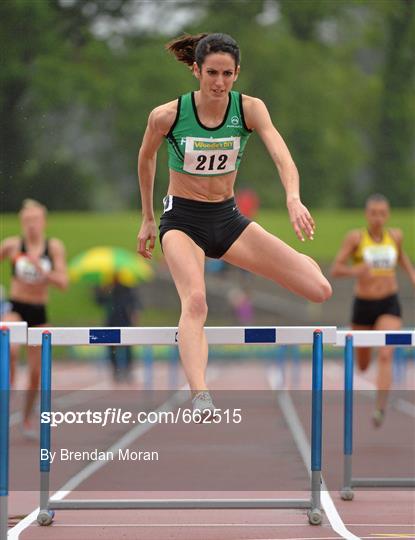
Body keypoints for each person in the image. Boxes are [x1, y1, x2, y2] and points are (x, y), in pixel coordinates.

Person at [136, 33, 332, 418]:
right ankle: (201, 395)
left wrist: (293, 197)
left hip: (227, 219)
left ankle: (296, 263)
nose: (219, 82)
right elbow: (146, 160)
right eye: (211, 73)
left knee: (320, 290)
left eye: (227, 74)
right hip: (182, 220)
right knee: (195, 300)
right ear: (196, 70)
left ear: (237, 73)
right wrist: (147, 217)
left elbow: (282, 156)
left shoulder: (250, 110)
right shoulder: (167, 115)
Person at [331, 194, 415, 426]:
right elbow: (336, 268)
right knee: (364, 364)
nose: (378, 218)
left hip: (389, 302)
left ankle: (380, 408)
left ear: (387, 215)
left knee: (386, 353)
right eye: (373, 213)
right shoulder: (356, 238)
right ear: (367, 215)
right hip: (364, 306)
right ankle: (370, 374)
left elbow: (402, 258)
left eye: (382, 213)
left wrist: (412, 276)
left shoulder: (395, 236)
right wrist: (355, 271)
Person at [0, 199, 68, 437]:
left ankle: (27, 417)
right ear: (21, 222)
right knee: (9, 347)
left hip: (39, 312)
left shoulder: (54, 247)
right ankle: (6, 392)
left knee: (36, 373)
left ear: (44, 222)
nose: (31, 226)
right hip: (16, 307)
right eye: (27, 221)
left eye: (35, 221)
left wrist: (44, 272)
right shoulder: (12, 245)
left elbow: (64, 283)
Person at [94, 275, 141, 383]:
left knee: (128, 348)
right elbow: (98, 302)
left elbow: (133, 302)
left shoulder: (126, 288)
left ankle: (128, 370)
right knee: (112, 348)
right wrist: (101, 290)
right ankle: (115, 371)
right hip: (111, 322)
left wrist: (134, 314)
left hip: (125, 321)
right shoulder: (106, 288)